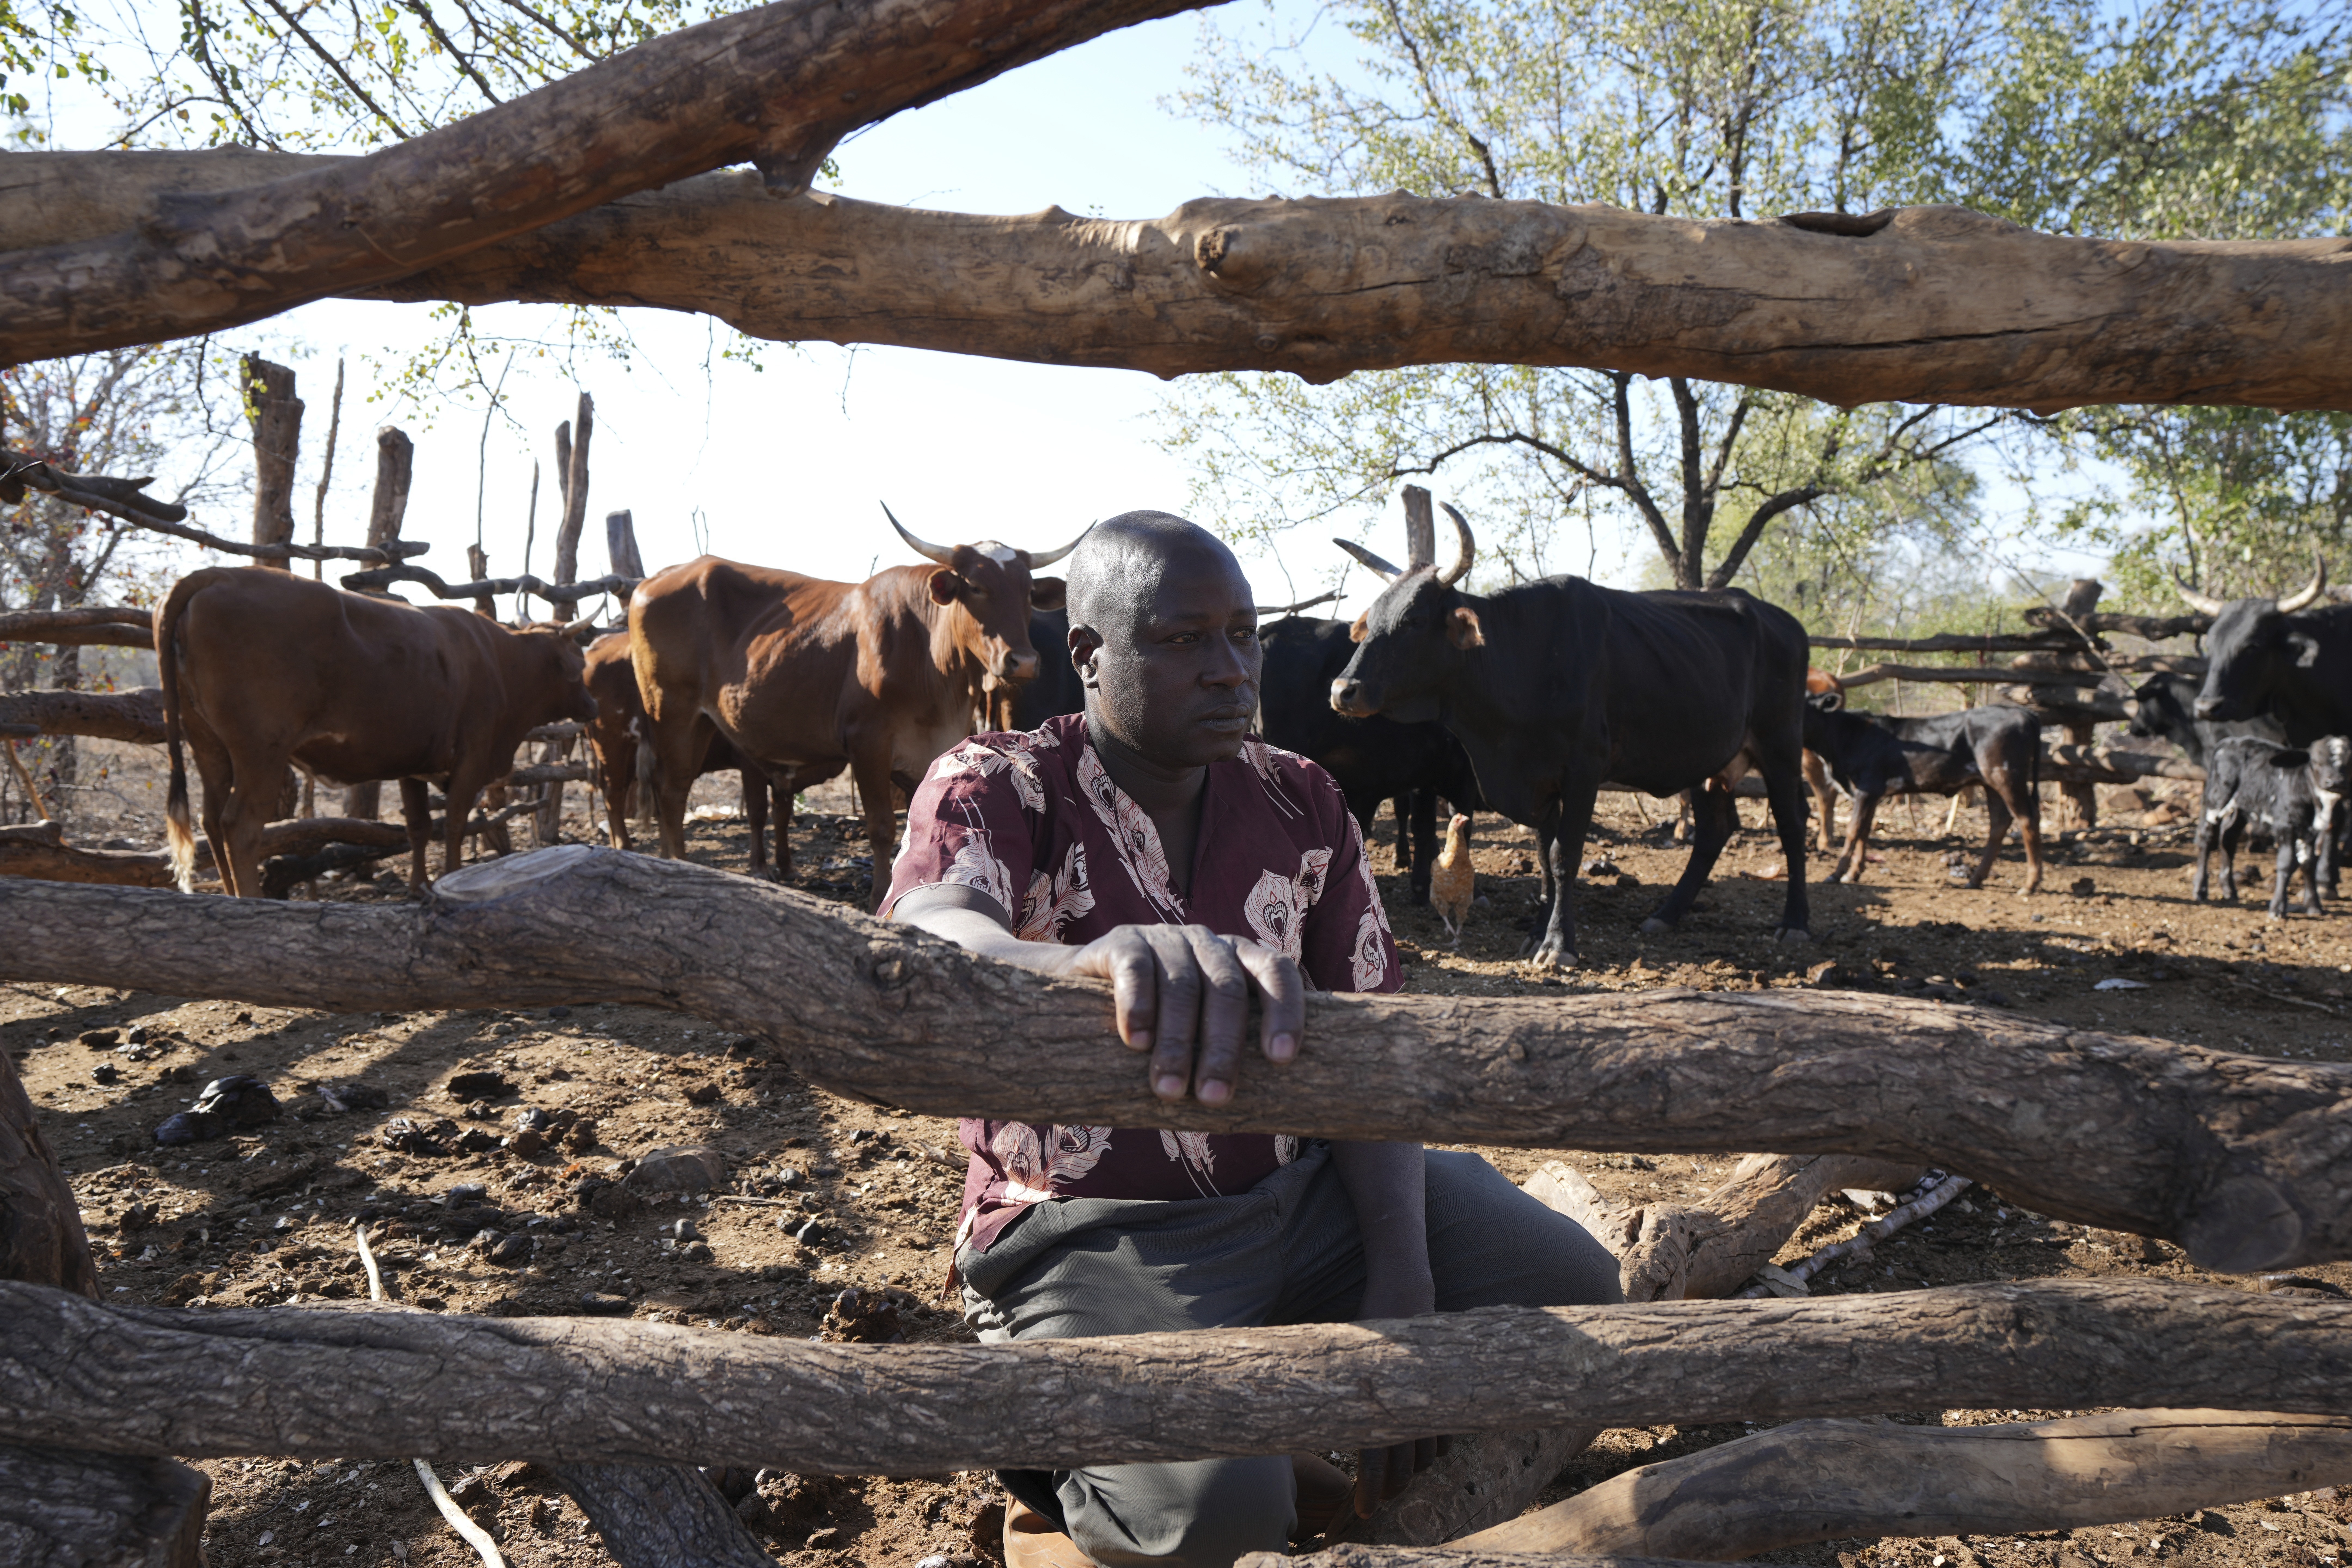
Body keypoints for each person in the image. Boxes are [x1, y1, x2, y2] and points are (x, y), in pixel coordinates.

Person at [887, 512, 1621, 1568]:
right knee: (1214, 1517)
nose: (1232, 670)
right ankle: (1053, 1505)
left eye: (1244, 636)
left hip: (1302, 1189)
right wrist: (1080, 965)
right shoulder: (1003, 786)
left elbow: (1376, 1048)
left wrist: (1402, 1273)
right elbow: (934, 937)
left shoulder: (1302, 799)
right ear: (1088, 655)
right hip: (1096, 1230)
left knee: (1572, 1289)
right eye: (1185, 641)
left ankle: (1259, 1452)